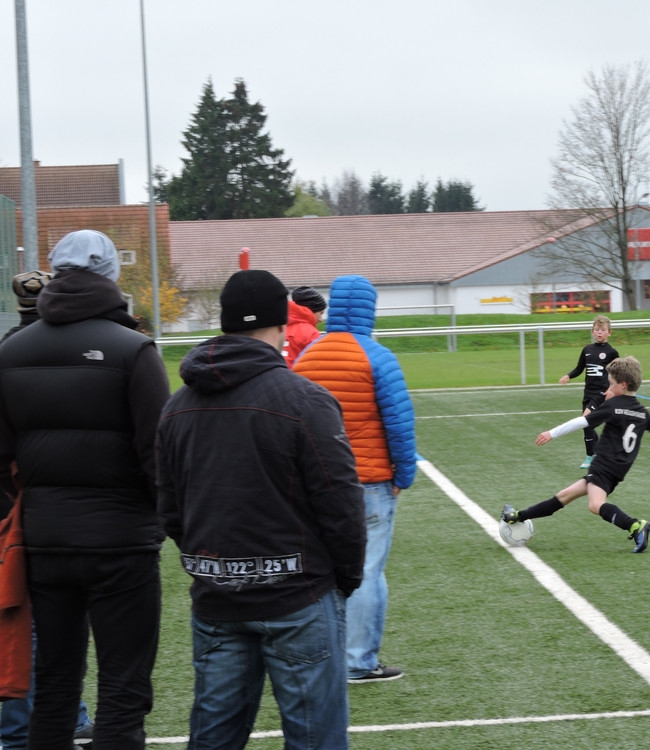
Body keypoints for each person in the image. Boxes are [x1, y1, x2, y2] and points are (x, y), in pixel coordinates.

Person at [157, 269, 366, 750]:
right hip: (298, 597)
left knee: (213, 738)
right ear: (281, 324)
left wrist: (213, 563)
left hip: (217, 597)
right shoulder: (306, 400)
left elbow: (169, 507)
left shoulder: (176, 406)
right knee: (315, 740)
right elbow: (341, 504)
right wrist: (344, 579)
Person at [0, 230, 170, 749]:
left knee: (54, 683)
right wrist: (165, 521)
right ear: (111, 275)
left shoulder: (10, 350)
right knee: (124, 686)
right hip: (122, 542)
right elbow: (159, 458)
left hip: (45, 541)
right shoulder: (134, 349)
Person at [293, 274, 417, 684]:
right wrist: (404, 475)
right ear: (369, 309)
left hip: (314, 483)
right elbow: (399, 425)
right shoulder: (378, 357)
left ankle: (318, 654)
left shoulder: (308, 355)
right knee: (365, 572)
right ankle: (358, 662)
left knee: (318, 571)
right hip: (369, 483)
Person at [0, 271, 94, 749]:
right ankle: (35, 726)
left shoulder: (8, 353)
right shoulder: (65, 354)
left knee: (21, 619)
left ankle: (27, 727)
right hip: (43, 508)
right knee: (41, 624)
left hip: (15, 507)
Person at [501, 355, 650, 554]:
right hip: (617, 470)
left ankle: (636, 525)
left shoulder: (613, 406)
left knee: (595, 505)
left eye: (611, 385)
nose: (607, 389)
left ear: (622, 385)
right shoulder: (642, 412)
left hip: (603, 466)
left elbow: (582, 421)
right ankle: (518, 516)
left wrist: (552, 433)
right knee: (563, 497)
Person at [558, 315, 619, 469]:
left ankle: (590, 457)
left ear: (609, 332)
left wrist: (611, 389)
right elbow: (579, 368)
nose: (599, 332)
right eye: (597, 330)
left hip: (601, 393)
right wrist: (568, 376)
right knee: (587, 425)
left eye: (603, 330)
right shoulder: (587, 350)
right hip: (588, 393)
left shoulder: (611, 352)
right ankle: (600, 453)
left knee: (585, 420)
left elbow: (617, 373)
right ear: (593, 332)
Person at [283, 285, 326, 363]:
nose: (321, 319)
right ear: (311, 311)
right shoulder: (311, 334)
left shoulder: (278, 327)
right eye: (320, 313)